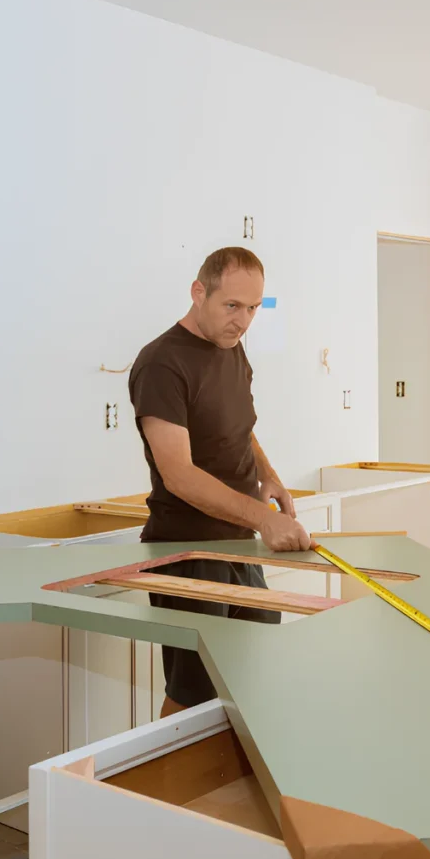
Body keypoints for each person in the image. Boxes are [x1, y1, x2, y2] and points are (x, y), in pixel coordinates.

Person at [127, 246, 313, 717]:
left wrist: (267, 477)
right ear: (198, 292)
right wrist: (263, 520)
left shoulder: (232, 348)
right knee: (194, 692)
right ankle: (166, 789)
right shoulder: (161, 364)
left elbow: (238, 426)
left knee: (251, 670)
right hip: (186, 551)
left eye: (253, 308)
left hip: (237, 544)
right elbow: (180, 475)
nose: (243, 320)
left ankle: (230, 784)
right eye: (232, 306)